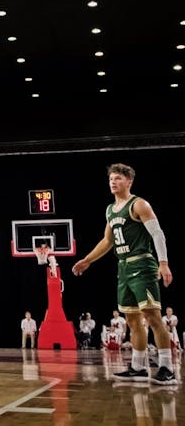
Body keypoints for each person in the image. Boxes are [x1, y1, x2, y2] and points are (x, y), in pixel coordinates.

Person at [72, 163, 176, 385]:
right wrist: (87, 260)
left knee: (152, 317)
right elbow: (107, 241)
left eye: (118, 178)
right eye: (111, 178)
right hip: (123, 266)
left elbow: (157, 234)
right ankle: (138, 367)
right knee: (132, 319)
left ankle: (168, 367)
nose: (113, 181)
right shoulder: (110, 210)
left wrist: (164, 263)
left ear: (129, 182)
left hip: (142, 264)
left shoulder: (139, 204)